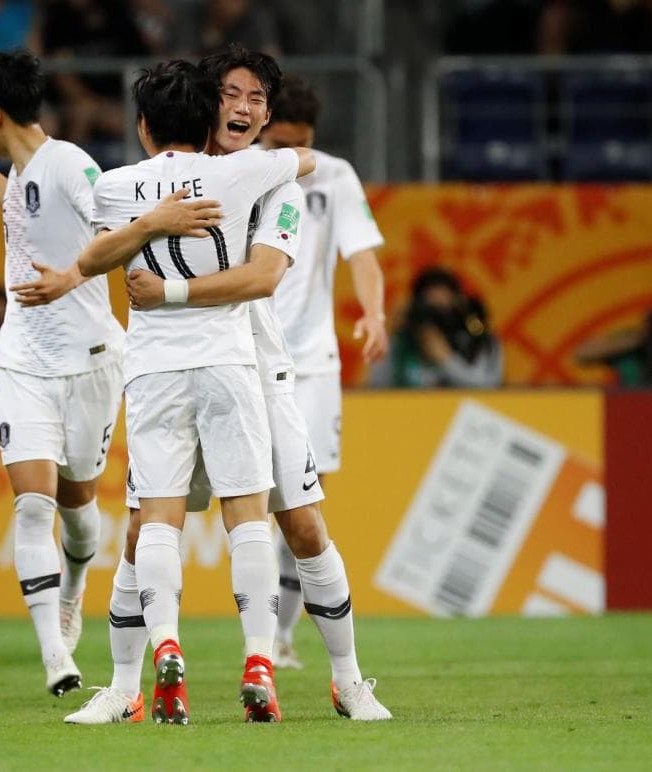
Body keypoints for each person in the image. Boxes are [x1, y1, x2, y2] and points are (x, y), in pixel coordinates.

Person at [68, 48, 389, 725]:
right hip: (201, 364)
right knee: (137, 534)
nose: (243, 109)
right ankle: (126, 686)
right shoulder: (190, 178)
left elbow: (262, 276)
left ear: (269, 115)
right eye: (232, 95)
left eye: (256, 101)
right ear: (206, 101)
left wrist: (165, 291)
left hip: (262, 368)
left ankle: (347, 679)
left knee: (301, 527)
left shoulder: (273, 183)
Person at [0, 46, 126, 698]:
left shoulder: (72, 164)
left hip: (91, 361)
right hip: (25, 362)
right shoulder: (20, 174)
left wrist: (75, 274)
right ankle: (55, 654)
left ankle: (74, 590)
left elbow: (120, 230)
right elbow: (18, 206)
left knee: (78, 510)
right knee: (31, 504)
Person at [258, 75, 388, 670]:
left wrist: (375, 312)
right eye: (282, 144)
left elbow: (360, 252)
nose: (295, 158)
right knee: (247, 505)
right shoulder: (239, 172)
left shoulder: (333, 173)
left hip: (310, 364)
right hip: (244, 354)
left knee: (298, 506)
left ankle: (277, 640)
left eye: (302, 143)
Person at [370, 266, 502, 388]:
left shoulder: (479, 340)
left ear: (459, 304)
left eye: (444, 309)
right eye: (430, 309)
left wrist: (446, 359)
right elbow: (375, 389)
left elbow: (489, 387)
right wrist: (389, 334)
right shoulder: (404, 341)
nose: (438, 317)